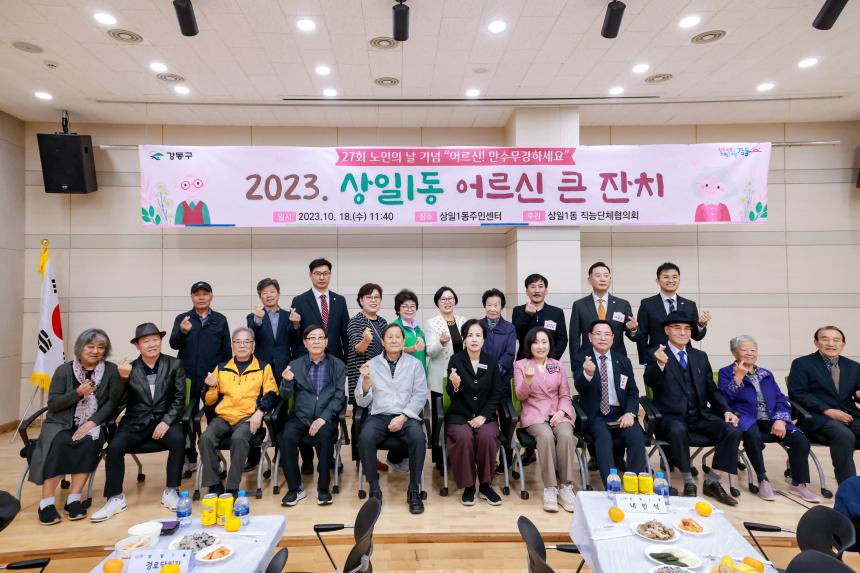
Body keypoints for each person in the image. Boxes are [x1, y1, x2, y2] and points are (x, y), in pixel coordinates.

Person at [91, 323, 188, 522]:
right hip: (135, 422)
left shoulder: (174, 364)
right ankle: (115, 498)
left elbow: (179, 398)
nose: (152, 344)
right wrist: (123, 378)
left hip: (163, 420)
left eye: (155, 340)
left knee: (179, 439)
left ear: (161, 341)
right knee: (115, 447)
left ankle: (171, 491)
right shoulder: (129, 368)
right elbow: (116, 401)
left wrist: (167, 421)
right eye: (146, 341)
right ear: (137, 345)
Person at [643, 311, 740, 505]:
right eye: (677, 328)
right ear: (667, 330)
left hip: (700, 415)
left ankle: (713, 481)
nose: (683, 332)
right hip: (670, 417)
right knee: (678, 430)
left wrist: (726, 410)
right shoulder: (657, 353)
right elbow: (650, 381)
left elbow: (712, 389)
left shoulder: (699, 356)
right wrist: (660, 364)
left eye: (687, 329)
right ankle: (688, 481)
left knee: (732, 430)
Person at [28, 329, 124, 525]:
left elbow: (112, 403)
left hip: (94, 423)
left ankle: (74, 499)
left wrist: (91, 423)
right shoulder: (63, 370)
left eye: (101, 347)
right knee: (59, 443)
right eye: (91, 346)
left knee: (89, 443)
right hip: (61, 423)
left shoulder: (111, 370)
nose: (95, 351)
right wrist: (77, 393)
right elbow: (53, 404)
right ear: (80, 347)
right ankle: (46, 503)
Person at [718, 335, 819, 502]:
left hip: (771, 418)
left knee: (800, 440)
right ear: (734, 352)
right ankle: (763, 479)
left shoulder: (766, 374)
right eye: (744, 349)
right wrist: (738, 378)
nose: (750, 353)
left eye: (753, 350)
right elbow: (723, 399)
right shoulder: (726, 372)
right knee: (752, 435)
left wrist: (780, 419)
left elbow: (780, 398)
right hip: (745, 417)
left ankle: (798, 483)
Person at [356, 324, 428, 514]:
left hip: (406, 415)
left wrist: (403, 417)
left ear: (404, 341)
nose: (394, 340)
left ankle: (413, 490)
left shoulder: (415, 364)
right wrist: (366, 382)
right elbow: (361, 402)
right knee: (365, 437)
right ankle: (374, 489)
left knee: (418, 437)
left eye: (398, 337)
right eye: (390, 337)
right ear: (382, 341)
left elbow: (420, 395)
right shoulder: (371, 364)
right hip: (379, 415)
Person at [199, 327, 279, 495]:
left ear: (253, 345)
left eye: (246, 342)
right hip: (223, 417)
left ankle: (232, 487)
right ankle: (214, 485)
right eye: (238, 342)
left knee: (238, 438)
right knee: (205, 438)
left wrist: (260, 412)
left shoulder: (263, 367)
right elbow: (208, 401)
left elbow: (272, 394)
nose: (242, 345)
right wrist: (212, 387)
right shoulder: (221, 368)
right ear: (232, 345)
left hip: (248, 418)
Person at [572, 320, 647, 487]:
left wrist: (630, 413)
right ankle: (611, 486)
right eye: (598, 334)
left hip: (621, 413)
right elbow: (579, 387)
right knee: (603, 438)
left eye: (607, 334)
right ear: (590, 337)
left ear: (613, 338)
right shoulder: (581, 359)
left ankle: (634, 484)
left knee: (636, 436)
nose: (603, 338)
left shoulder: (623, 361)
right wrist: (588, 374)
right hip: (596, 415)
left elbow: (632, 392)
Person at [278, 325, 346, 507]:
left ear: (326, 341)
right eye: (312, 338)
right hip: (301, 417)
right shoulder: (295, 365)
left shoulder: (338, 365)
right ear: (305, 343)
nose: (316, 341)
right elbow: (284, 396)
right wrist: (286, 382)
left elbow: (339, 396)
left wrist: (323, 418)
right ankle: (295, 488)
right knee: (286, 436)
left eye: (320, 337)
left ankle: (323, 487)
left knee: (325, 436)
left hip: (326, 417)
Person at [169, 281, 231, 472]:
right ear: (192, 297)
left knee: (214, 420)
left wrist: (222, 377)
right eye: (197, 294)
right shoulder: (182, 318)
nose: (201, 297)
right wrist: (182, 331)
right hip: (187, 380)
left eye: (205, 293)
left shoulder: (220, 320)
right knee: (186, 420)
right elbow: (173, 344)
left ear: (211, 296)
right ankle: (190, 458)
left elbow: (227, 353)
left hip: (212, 381)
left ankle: (215, 460)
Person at [513, 327, 577, 513]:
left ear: (550, 344)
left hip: (557, 413)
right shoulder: (521, 365)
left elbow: (565, 394)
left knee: (566, 435)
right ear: (529, 345)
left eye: (544, 342)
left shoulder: (557, 365)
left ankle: (565, 487)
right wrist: (528, 380)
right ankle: (550, 487)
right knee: (546, 436)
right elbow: (520, 395)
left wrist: (562, 411)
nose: (540, 346)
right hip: (534, 414)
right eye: (536, 342)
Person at [788, 326, 860, 485]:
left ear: (843, 344)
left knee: (845, 438)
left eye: (836, 340)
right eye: (825, 339)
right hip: (817, 417)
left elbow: (857, 393)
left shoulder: (854, 367)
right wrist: (827, 410)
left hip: (848, 416)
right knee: (844, 436)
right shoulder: (802, 364)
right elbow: (797, 393)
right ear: (816, 342)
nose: (831, 344)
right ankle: (848, 488)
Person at [445, 320, 505, 506]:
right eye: (470, 335)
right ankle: (469, 486)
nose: (474, 339)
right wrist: (455, 384)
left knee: (488, 436)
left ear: (484, 339)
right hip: (460, 415)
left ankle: (485, 486)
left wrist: (483, 416)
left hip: (484, 415)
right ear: (464, 339)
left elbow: (496, 394)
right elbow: (451, 393)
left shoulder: (491, 361)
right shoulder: (456, 360)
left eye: (478, 335)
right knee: (463, 437)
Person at [246, 277, 291, 471]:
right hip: (260, 370)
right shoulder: (253, 317)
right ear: (260, 296)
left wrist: (296, 325)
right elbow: (250, 335)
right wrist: (258, 319)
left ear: (278, 294)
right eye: (264, 293)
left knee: (281, 414)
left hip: (283, 369)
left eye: (272, 291)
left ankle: (281, 454)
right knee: (254, 410)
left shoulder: (289, 315)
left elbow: (295, 339)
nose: (269, 295)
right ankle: (253, 455)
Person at [636, 262, 710, 365]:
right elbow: (642, 335)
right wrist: (646, 359)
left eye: (674, 277)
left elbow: (696, 336)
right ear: (657, 280)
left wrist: (701, 324)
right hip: (658, 357)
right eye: (666, 277)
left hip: (683, 357)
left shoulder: (689, 305)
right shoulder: (647, 304)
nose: (671, 280)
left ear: (679, 279)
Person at [425, 286, 467, 468]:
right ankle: (440, 459)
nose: (447, 302)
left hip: (460, 377)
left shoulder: (463, 321)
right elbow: (430, 352)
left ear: (455, 300)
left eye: (450, 298)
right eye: (443, 299)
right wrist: (441, 343)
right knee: (440, 418)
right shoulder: (432, 323)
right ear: (437, 302)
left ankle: (456, 454)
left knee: (457, 416)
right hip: (440, 378)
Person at [569, 262, 639, 359]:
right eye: (598, 276)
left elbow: (634, 337)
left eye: (606, 276)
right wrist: (576, 363)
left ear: (610, 279)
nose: (602, 279)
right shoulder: (579, 305)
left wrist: (633, 329)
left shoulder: (622, 304)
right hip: (588, 359)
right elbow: (574, 338)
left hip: (617, 359)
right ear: (589, 280)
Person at [288, 258, 350, 363]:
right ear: (310, 275)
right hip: (307, 359)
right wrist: (295, 324)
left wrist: (347, 362)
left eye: (325, 273)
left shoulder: (340, 300)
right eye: (317, 274)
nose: (322, 277)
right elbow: (292, 337)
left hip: (335, 359)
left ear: (330, 275)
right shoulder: (299, 300)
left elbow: (345, 334)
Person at [512, 274, 568, 361]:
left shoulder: (557, 312)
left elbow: (562, 340)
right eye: (533, 287)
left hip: (549, 361)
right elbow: (515, 335)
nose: (537, 290)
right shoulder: (518, 310)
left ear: (546, 291)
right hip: (524, 361)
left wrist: (550, 359)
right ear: (527, 291)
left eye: (540, 286)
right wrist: (527, 315)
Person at [479, 288, 516, 385]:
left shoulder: (509, 328)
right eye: (489, 305)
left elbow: (510, 353)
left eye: (496, 305)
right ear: (484, 306)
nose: (492, 309)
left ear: (502, 307)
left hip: (503, 378)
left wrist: (496, 371)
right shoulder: (477, 326)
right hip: (480, 376)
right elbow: (472, 350)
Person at [392, 289, 427, 369]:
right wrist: (412, 349)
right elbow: (392, 351)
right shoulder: (394, 327)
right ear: (398, 309)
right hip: (404, 372)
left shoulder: (417, 328)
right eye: (405, 306)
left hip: (420, 371)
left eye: (412, 306)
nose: (409, 309)